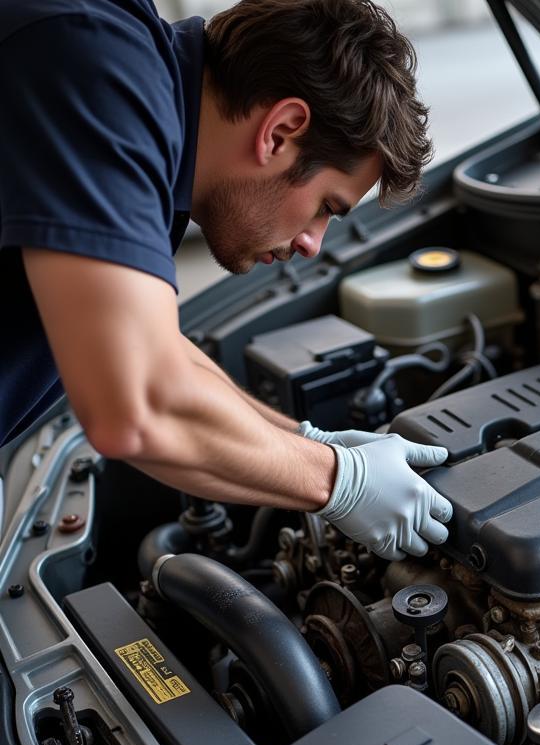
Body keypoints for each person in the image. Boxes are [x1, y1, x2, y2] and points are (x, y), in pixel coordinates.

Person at [0, 0, 453, 561]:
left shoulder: (142, 107)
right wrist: (338, 482)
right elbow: (135, 408)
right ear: (281, 131)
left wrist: (305, 442)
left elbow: (153, 349)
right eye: (325, 207)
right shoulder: (98, 72)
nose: (313, 242)